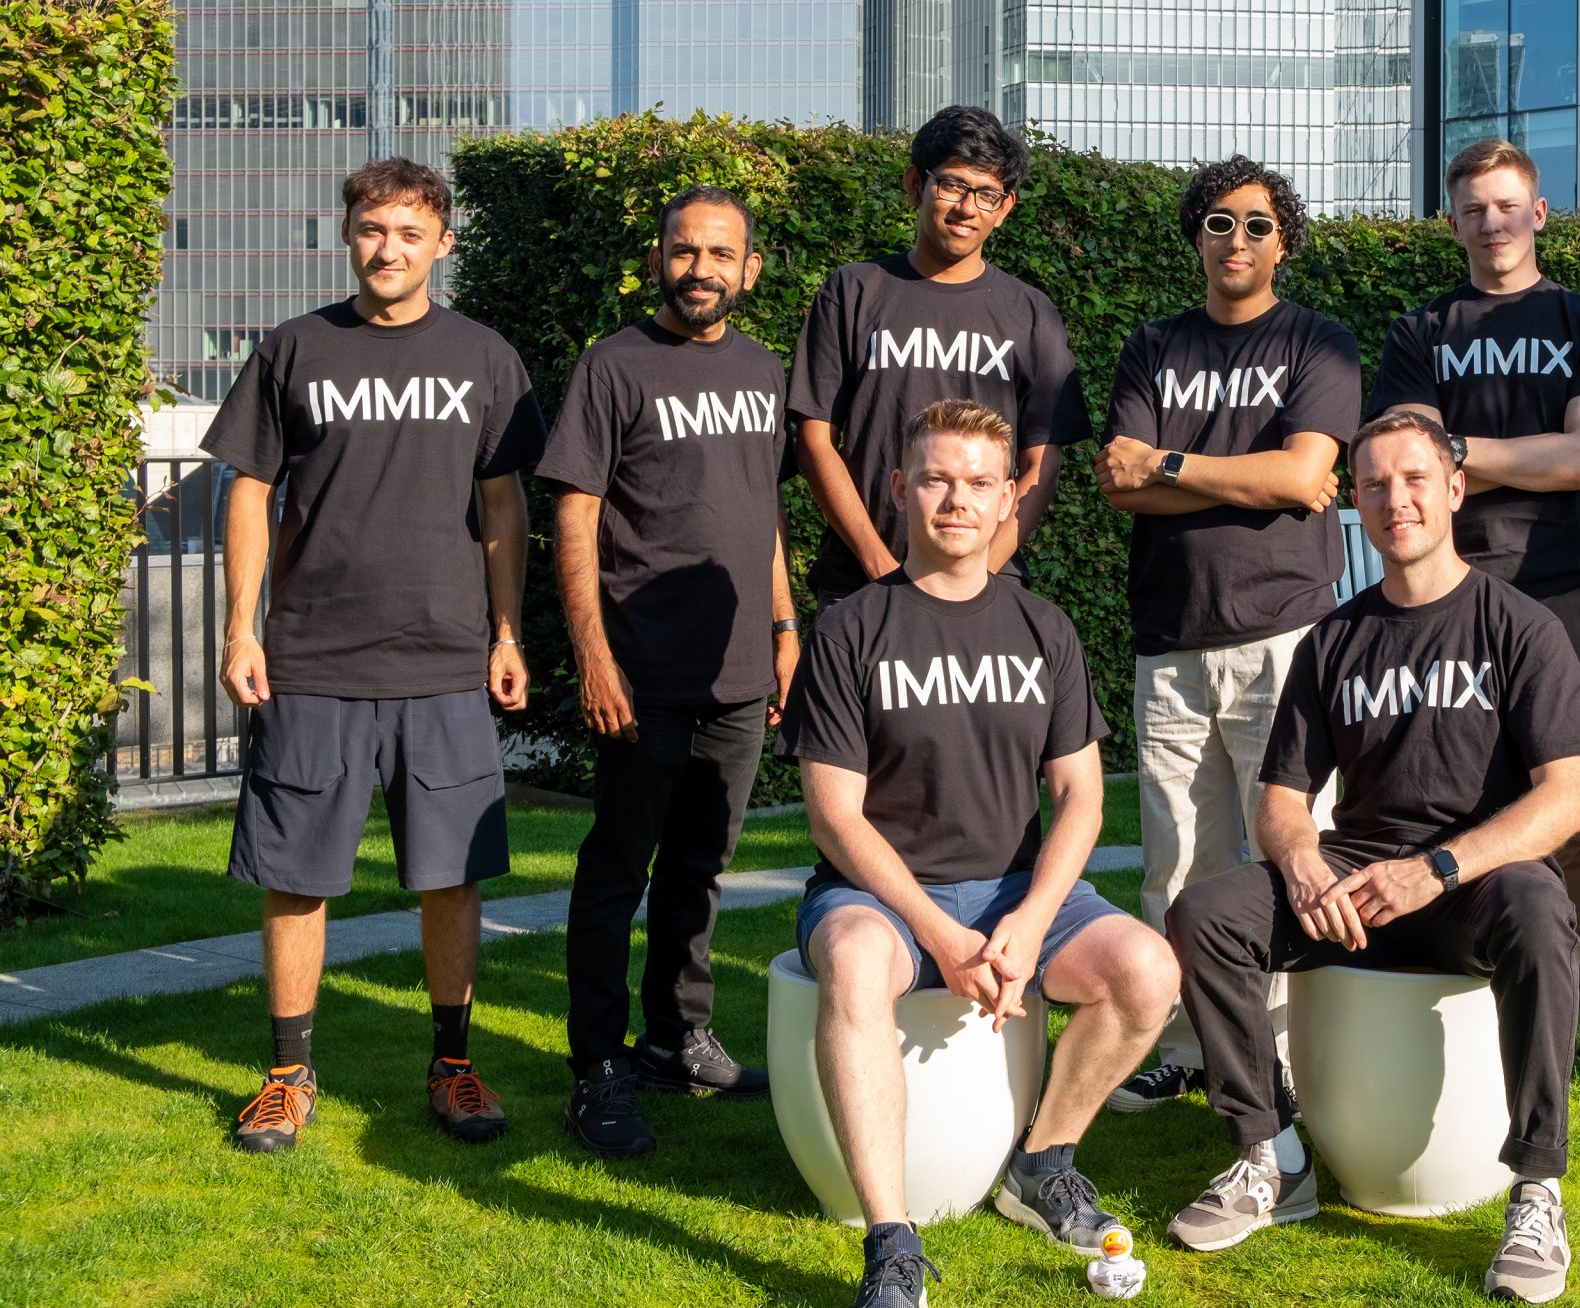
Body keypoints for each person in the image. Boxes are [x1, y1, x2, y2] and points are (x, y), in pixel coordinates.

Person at [1164, 410, 1580, 1305]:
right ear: (1355, 504)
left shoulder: (1519, 626)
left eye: (1413, 479)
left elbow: (1568, 797)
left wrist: (1437, 869)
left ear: (1455, 489)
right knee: (1203, 914)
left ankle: (1536, 1186)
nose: (1395, 498)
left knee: (1539, 907)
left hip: (1471, 883)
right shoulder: (1334, 638)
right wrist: (1303, 866)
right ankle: (1271, 1154)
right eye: (1374, 484)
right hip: (1354, 881)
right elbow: (1280, 797)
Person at [775, 399, 1182, 1308]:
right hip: (878, 897)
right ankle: (892, 1243)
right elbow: (835, 818)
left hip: (1012, 889)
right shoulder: (849, 629)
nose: (957, 499)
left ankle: (1043, 1162)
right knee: (853, 960)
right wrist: (937, 931)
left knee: (1149, 969)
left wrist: (1030, 921)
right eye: (936, 479)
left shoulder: (1045, 628)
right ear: (899, 489)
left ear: (1008, 500)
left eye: (978, 483)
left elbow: (1082, 797)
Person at [210, 156, 546, 1154]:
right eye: (371, 229)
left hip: (444, 659)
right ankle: (287, 1075)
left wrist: (507, 632)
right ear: (348, 234)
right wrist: (240, 626)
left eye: (408, 232)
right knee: (296, 873)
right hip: (312, 657)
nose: (386, 248)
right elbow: (248, 491)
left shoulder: (485, 356)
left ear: (442, 243)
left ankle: (453, 1065)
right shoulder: (293, 349)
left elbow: (503, 504)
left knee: (453, 875)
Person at [1367, 137, 1580, 1099]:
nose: (1491, 222)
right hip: (1443, 596)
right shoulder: (1421, 328)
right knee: (1429, 793)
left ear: (1539, 213)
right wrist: (1503, 453)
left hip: (1557, 593)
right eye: (1473, 208)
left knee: (1577, 807)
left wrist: (1457, 447)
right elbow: (1407, 463)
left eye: (1507, 205)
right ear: (1452, 221)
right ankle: (1448, 984)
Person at [1093, 157, 1361, 1113]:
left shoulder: (1317, 342)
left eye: (1256, 224)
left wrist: (1170, 462)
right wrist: (1249, 476)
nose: (1236, 239)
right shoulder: (1152, 345)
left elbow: (1302, 477)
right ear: (1196, 239)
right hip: (1169, 640)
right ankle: (1185, 1043)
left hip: (1282, 635)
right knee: (1175, 859)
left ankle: (1280, 1055)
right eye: (1218, 222)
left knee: (1292, 849)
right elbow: (1118, 484)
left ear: (1283, 242)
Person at [541, 186, 798, 1156]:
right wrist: (594, 657)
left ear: (749, 269)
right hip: (639, 670)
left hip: (736, 671)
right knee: (618, 868)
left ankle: (676, 1037)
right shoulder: (613, 365)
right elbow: (575, 514)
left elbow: (761, 512)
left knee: (701, 866)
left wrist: (783, 625)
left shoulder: (764, 370)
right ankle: (597, 1065)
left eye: (720, 253)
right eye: (685, 250)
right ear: (657, 259)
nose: (701, 269)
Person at [786, 106, 1089, 611]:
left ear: (1005, 208)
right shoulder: (853, 292)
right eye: (952, 185)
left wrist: (978, 576)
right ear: (915, 185)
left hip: (987, 592)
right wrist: (882, 570)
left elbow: (1041, 464)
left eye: (987, 194)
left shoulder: (1032, 313)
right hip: (861, 584)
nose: (968, 208)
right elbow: (815, 441)